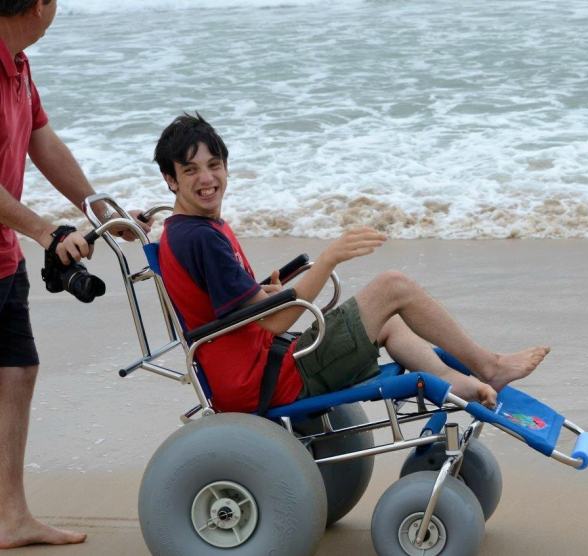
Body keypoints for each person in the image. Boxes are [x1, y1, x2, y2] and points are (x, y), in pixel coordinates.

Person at [154, 113, 550, 417]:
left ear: (226, 166)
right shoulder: (202, 237)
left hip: (256, 368)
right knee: (392, 287)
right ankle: (489, 366)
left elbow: (234, 308)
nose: (207, 178)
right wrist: (329, 258)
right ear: (171, 180)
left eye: (214, 165)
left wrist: (260, 293)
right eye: (190, 170)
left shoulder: (185, 230)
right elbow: (274, 322)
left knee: (388, 319)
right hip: (265, 380)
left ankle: (452, 380)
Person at [0, 0, 149, 549]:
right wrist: (45, 232)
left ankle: (10, 517)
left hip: (2, 256)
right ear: (39, 5)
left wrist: (103, 213)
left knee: (17, 371)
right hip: (13, 241)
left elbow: (44, 143)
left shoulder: (18, 63)